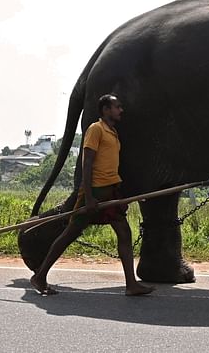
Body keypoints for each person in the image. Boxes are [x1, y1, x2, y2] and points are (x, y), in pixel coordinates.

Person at [30, 94, 153, 296]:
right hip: (95, 190)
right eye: (117, 107)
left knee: (124, 232)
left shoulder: (112, 132)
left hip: (110, 190)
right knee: (70, 233)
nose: (121, 110)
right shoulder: (96, 130)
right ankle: (40, 276)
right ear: (105, 110)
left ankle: (131, 284)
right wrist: (88, 196)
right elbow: (86, 162)